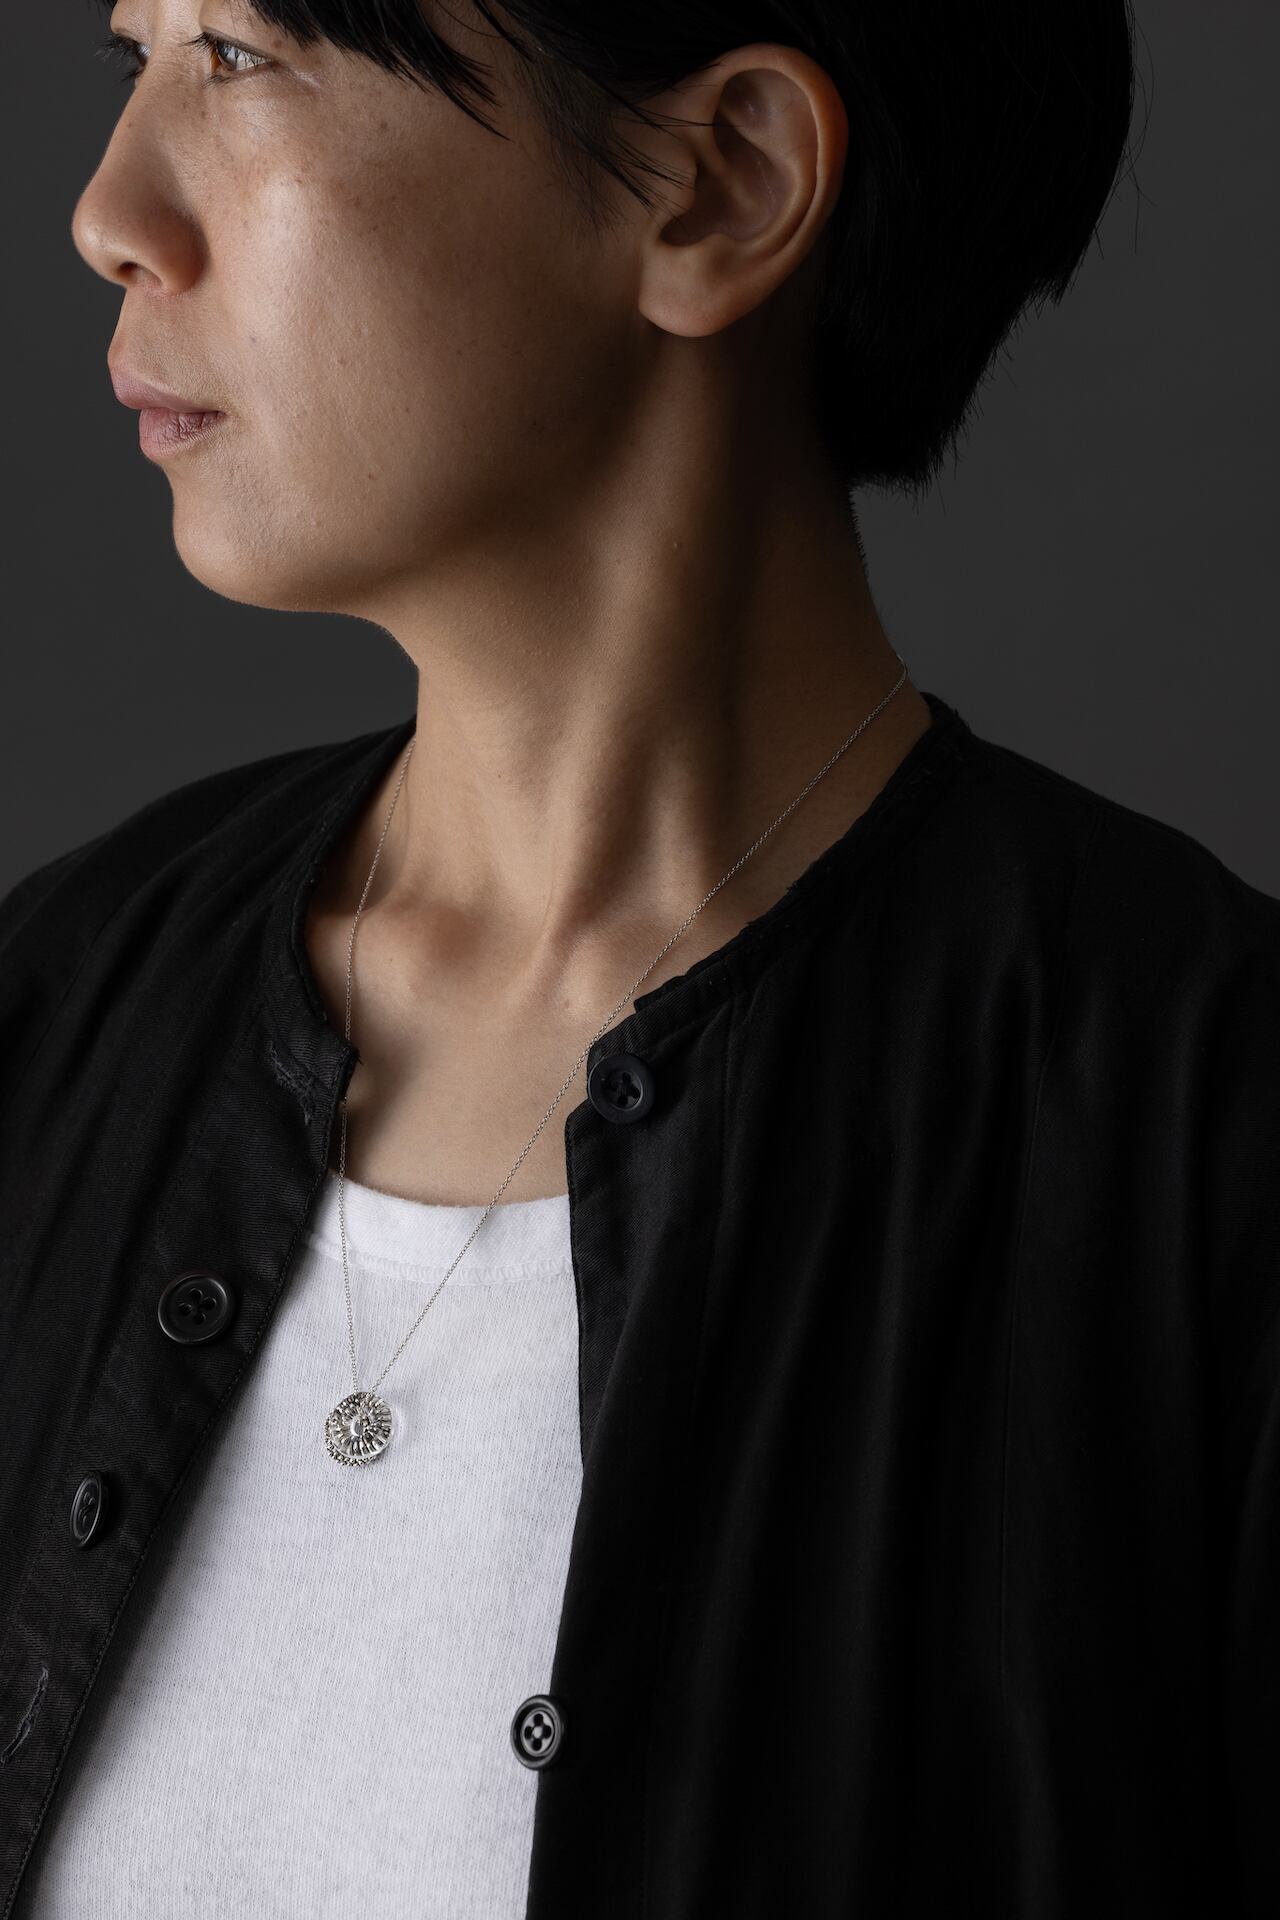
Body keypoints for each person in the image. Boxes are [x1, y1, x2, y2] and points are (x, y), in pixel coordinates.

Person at [1, 1, 1275, 1914]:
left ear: (723, 185)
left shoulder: (1205, 1158)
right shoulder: (53, 1013)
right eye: (138, 56)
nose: (109, 213)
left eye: (245, 54)